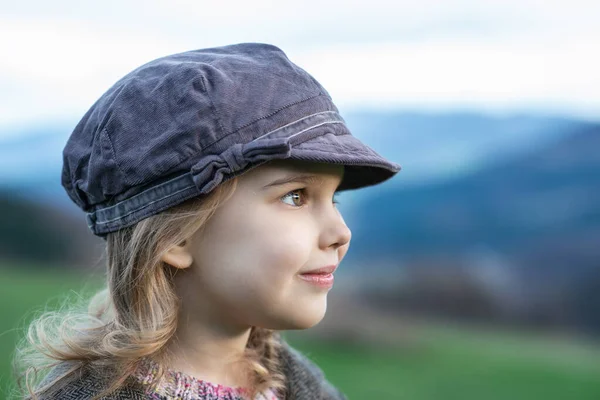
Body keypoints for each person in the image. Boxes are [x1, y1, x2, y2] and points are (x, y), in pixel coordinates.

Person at [12, 42, 401, 400]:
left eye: (333, 198)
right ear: (175, 238)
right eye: (295, 196)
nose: (340, 232)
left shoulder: (300, 387)